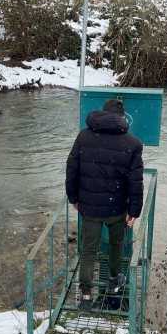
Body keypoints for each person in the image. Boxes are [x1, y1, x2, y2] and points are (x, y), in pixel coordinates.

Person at [65, 99, 144, 310]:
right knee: (116, 245)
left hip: (89, 206)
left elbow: (71, 168)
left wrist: (73, 198)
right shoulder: (133, 144)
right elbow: (135, 182)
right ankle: (114, 279)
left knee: (89, 250)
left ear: (102, 114)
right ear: (122, 117)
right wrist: (134, 210)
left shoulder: (84, 136)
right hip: (117, 208)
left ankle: (86, 293)